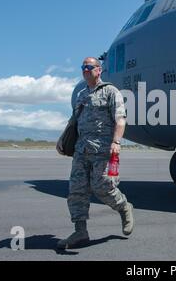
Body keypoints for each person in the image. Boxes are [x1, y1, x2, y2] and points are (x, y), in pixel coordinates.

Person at [56, 57, 134, 249]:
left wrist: (116, 141)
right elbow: (73, 120)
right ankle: (80, 232)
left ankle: (124, 207)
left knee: (103, 187)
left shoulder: (110, 91)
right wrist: (61, 139)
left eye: (89, 67)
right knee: (77, 190)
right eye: (83, 67)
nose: (85, 70)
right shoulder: (81, 94)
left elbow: (120, 119)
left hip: (103, 150)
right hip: (81, 150)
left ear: (99, 70)